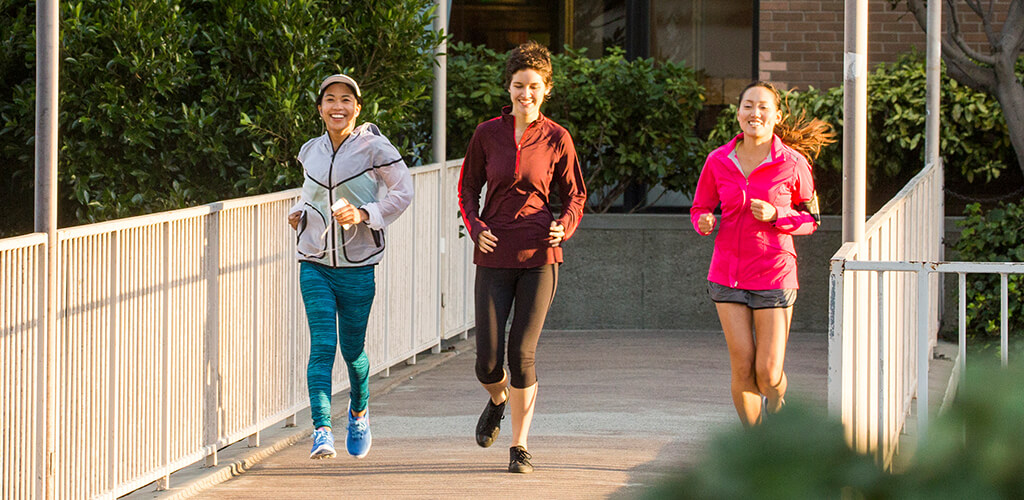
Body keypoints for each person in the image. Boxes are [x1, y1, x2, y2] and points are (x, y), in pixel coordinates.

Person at [457, 41, 587, 473]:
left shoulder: (557, 138)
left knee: (521, 355)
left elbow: (575, 195)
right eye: (518, 85)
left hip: (540, 257)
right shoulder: (486, 134)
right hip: (494, 255)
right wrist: (475, 227)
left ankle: (519, 446)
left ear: (545, 89)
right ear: (508, 88)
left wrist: (564, 225)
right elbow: (466, 189)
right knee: (488, 362)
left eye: (533, 86)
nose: (525, 93)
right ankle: (498, 399)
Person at [690, 81, 834, 427]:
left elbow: (811, 220)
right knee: (742, 367)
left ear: (776, 116)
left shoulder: (793, 163)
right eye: (749, 106)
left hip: (774, 273)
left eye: (763, 107)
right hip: (727, 274)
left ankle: (778, 403)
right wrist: (705, 222)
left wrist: (777, 216)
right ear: (738, 113)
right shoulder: (718, 161)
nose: (755, 113)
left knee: (768, 374)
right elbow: (700, 208)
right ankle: (755, 448)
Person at [288, 74, 413, 459]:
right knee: (323, 346)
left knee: (353, 351)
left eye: (345, 100)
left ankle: (359, 412)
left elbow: (403, 192)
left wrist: (363, 214)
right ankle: (322, 430)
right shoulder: (310, 150)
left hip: (359, 265)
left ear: (357, 108)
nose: (337, 106)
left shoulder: (376, 147)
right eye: (329, 99)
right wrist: (299, 213)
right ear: (320, 107)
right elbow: (310, 193)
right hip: (315, 262)